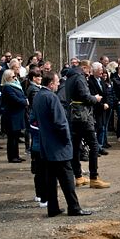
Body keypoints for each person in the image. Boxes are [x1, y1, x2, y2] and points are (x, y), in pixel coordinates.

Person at [32, 71, 92, 218]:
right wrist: (67, 140)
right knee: (67, 178)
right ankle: (74, 207)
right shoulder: (51, 97)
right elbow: (60, 122)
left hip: (47, 145)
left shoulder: (39, 96)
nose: (59, 84)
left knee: (51, 179)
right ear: (51, 83)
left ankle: (53, 208)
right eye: (57, 82)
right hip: (58, 145)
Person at [64, 60, 110, 188]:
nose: (89, 73)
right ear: (84, 68)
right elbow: (85, 96)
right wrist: (95, 98)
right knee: (94, 146)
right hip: (83, 116)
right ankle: (94, 178)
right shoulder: (79, 77)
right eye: (88, 70)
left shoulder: (70, 77)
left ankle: (78, 176)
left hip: (74, 116)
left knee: (76, 145)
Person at [0, 69, 28, 163]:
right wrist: (24, 102)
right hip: (11, 115)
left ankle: (16, 155)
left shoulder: (16, 85)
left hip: (17, 114)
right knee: (12, 137)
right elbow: (14, 98)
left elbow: (21, 95)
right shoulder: (7, 87)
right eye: (13, 76)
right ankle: (12, 156)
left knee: (16, 136)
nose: (15, 78)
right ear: (8, 78)